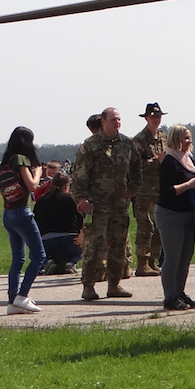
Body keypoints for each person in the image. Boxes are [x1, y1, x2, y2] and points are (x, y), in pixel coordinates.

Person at [74, 108, 141, 301]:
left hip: (119, 205)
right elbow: (80, 173)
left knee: (118, 246)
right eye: (113, 119)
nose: (117, 122)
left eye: (119, 119)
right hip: (97, 206)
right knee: (95, 246)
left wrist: (132, 189)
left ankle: (114, 284)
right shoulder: (91, 145)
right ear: (103, 122)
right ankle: (88, 285)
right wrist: (81, 198)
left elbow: (137, 168)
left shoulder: (127, 144)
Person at [0, 127, 47, 315]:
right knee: (39, 255)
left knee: (18, 258)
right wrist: (39, 171)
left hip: (8, 213)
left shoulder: (5, 162)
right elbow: (32, 185)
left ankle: (12, 301)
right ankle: (22, 296)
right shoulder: (20, 159)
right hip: (22, 213)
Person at [157, 124, 195, 310]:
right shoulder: (169, 161)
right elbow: (166, 192)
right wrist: (190, 185)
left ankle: (180, 292)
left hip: (188, 213)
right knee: (172, 257)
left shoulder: (188, 159)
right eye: (185, 138)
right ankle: (170, 297)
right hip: (170, 214)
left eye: (190, 137)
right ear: (176, 139)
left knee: (185, 257)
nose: (189, 141)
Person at [130, 103, 168, 278]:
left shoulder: (164, 138)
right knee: (146, 227)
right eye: (153, 116)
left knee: (159, 227)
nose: (156, 119)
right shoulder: (139, 140)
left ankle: (153, 261)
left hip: (160, 189)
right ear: (146, 118)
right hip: (144, 190)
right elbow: (135, 166)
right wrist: (156, 161)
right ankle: (142, 263)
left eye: (158, 116)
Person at [34, 172, 83, 274]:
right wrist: (82, 234)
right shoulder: (71, 199)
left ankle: (47, 262)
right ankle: (71, 262)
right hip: (70, 239)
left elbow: (35, 221)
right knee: (87, 245)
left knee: (37, 252)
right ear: (66, 186)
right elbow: (80, 218)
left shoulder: (42, 200)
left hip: (46, 240)